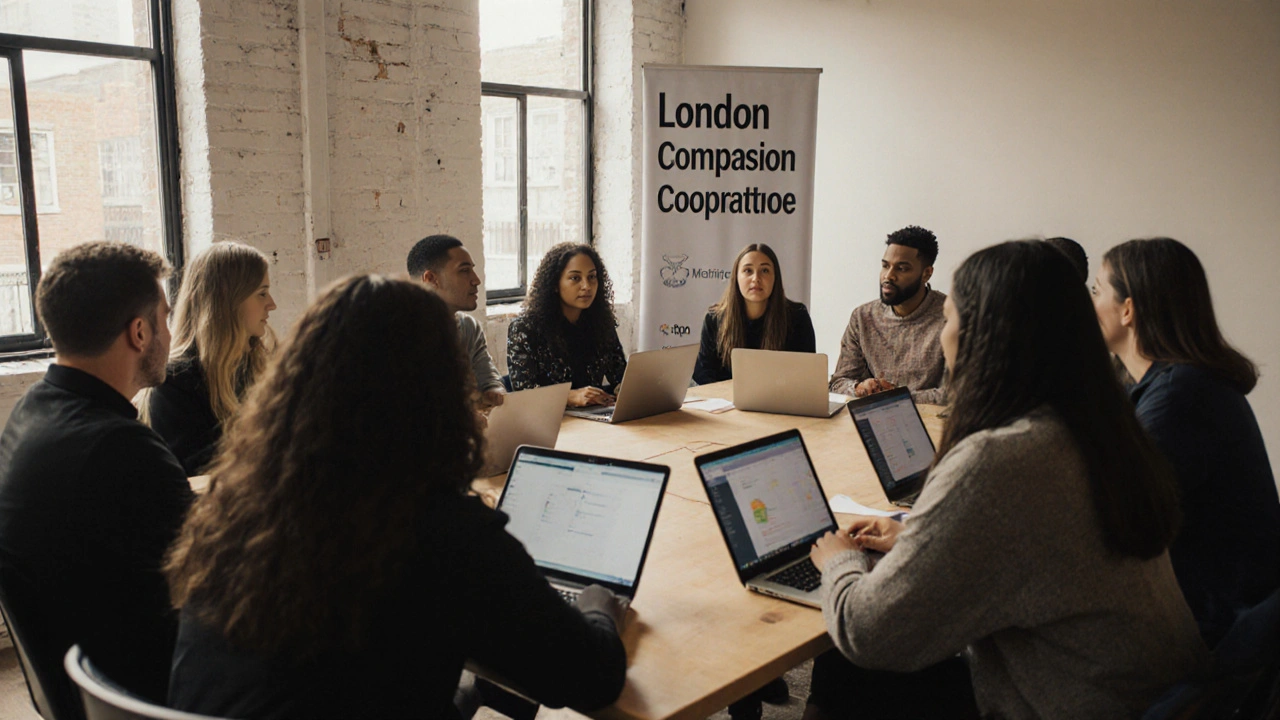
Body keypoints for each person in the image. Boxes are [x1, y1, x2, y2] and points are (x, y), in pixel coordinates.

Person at [165, 275, 629, 719]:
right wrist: (597, 604)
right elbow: (591, 677)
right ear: (439, 390)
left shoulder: (237, 506)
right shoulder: (438, 526)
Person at [806, 241, 1205, 720]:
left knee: (843, 663)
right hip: (1144, 695)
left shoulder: (999, 459)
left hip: (1067, 701)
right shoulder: (1101, 427)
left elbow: (866, 633)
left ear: (981, 337)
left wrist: (841, 561)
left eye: (950, 318)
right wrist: (920, 537)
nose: (944, 334)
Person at [0, 243, 194, 711]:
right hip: (148, 695)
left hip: (83, 687)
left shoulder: (30, 411)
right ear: (140, 332)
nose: (171, 333)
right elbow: (218, 581)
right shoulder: (124, 449)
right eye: (166, 318)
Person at [1093, 237, 1280, 648]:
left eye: (1096, 290)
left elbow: (1115, 520)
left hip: (1217, 630)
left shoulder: (1181, 395)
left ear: (1128, 310)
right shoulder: (1164, 383)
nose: (1089, 303)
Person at [144, 242, 276, 475]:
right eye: (262, 293)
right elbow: (204, 475)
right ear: (227, 303)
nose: (271, 304)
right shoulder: (174, 382)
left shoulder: (255, 362)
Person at [829, 225, 947, 404]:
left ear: (926, 274)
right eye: (885, 266)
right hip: (874, 419)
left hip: (934, 426)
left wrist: (896, 398)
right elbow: (838, 382)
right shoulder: (863, 317)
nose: (888, 276)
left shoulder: (952, 318)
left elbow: (958, 394)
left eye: (902, 268)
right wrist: (860, 388)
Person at [507, 243, 627, 408]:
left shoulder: (601, 322)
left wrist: (624, 389)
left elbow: (619, 375)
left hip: (595, 418)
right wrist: (570, 397)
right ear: (555, 284)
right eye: (575, 278)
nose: (587, 286)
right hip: (551, 423)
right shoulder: (525, 329)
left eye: (592, 277)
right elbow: (523, 393)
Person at [693, 243, 816, 385]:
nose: (755, 278)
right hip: (726, 404)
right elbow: (704, 373)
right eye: (748, 271)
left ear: (775, 278)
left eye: (764, 270)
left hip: (779, 404)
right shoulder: (714, 319)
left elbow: (807, 374)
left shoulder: (797, 317)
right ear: (736, 277)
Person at [407, 234, 505, 409]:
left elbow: (488, 379)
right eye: (464, 270)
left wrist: (495, 392)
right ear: (431, 279)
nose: (476, 280)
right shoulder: (399, 333)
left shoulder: (469, 327)